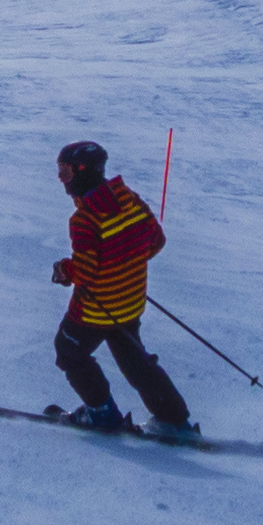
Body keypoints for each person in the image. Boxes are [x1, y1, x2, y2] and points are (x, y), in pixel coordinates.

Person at [45, 140, 194, 433]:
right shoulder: (129, 198)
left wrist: (64, 271)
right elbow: (156, 241)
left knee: (68, 351)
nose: (61, 179)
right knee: (135, 362)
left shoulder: (84, 220)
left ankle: (101, 412)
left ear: (82, 172)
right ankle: (173, 421)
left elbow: (86, 274)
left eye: (65, 172)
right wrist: (125, 267)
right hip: (130, 301)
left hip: (95, 310)